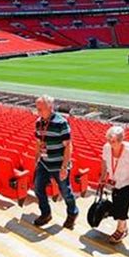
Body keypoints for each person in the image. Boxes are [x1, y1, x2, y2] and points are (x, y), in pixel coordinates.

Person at [32, 95, 79, 229]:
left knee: (66, 193)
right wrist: (37, 159)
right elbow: (38, 142)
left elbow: (68, 146)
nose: (38, 111)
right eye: (37, 108)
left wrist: (64, 167)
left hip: (59, 165)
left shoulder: (61, 123)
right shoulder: (38, 122)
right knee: (38, 189)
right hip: (44, 163)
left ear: (50, 108)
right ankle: (46, 213)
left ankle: (72, 213)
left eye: (41, 109)